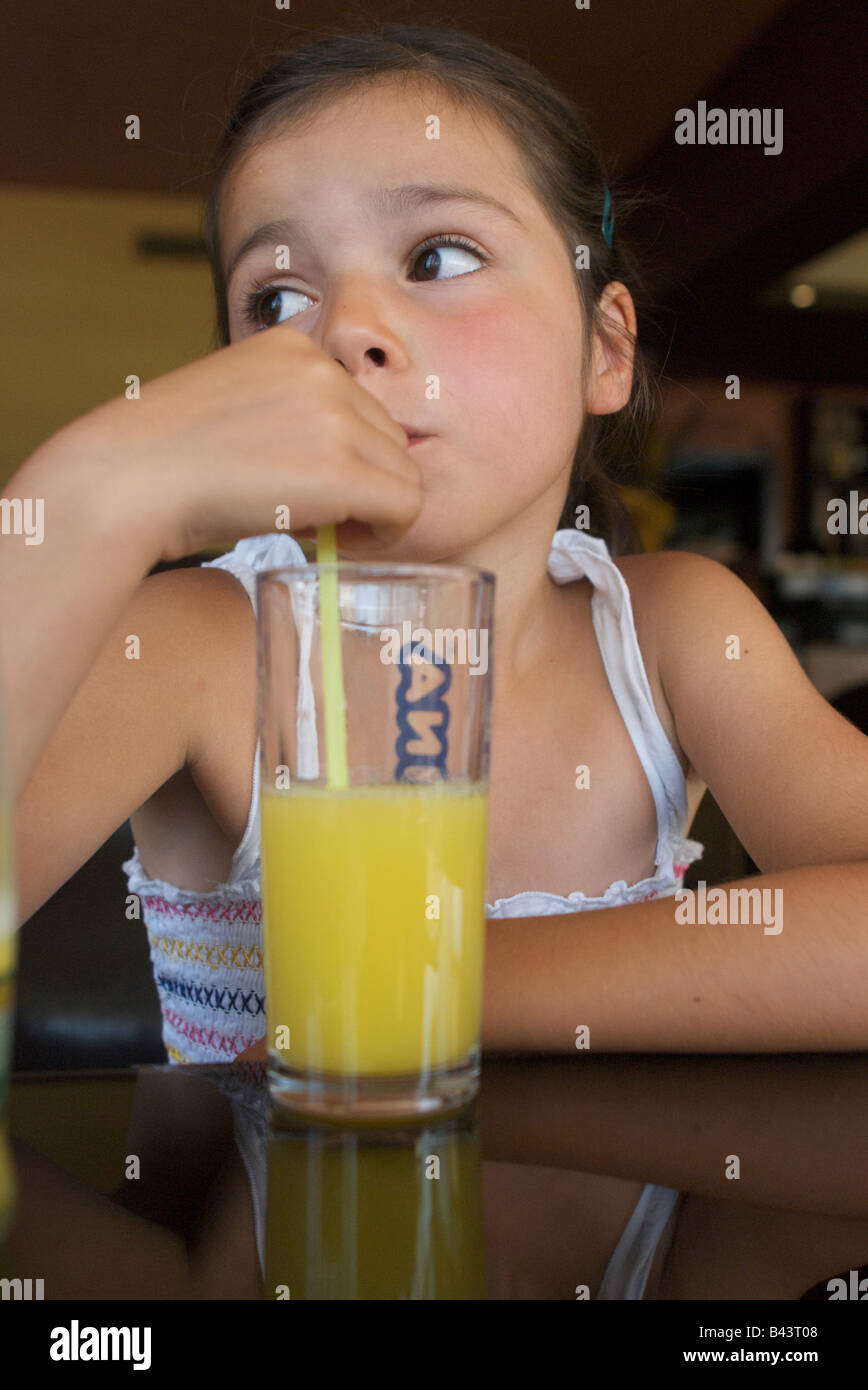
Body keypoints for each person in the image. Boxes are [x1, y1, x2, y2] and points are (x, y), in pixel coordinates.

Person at [3, 21, 868, 1297]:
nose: (345, 329)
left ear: (602, 349)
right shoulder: (196, 642)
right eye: (277, 298)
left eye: (437, 255)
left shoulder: (675, 626)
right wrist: (83, 502)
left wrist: (426, 982)